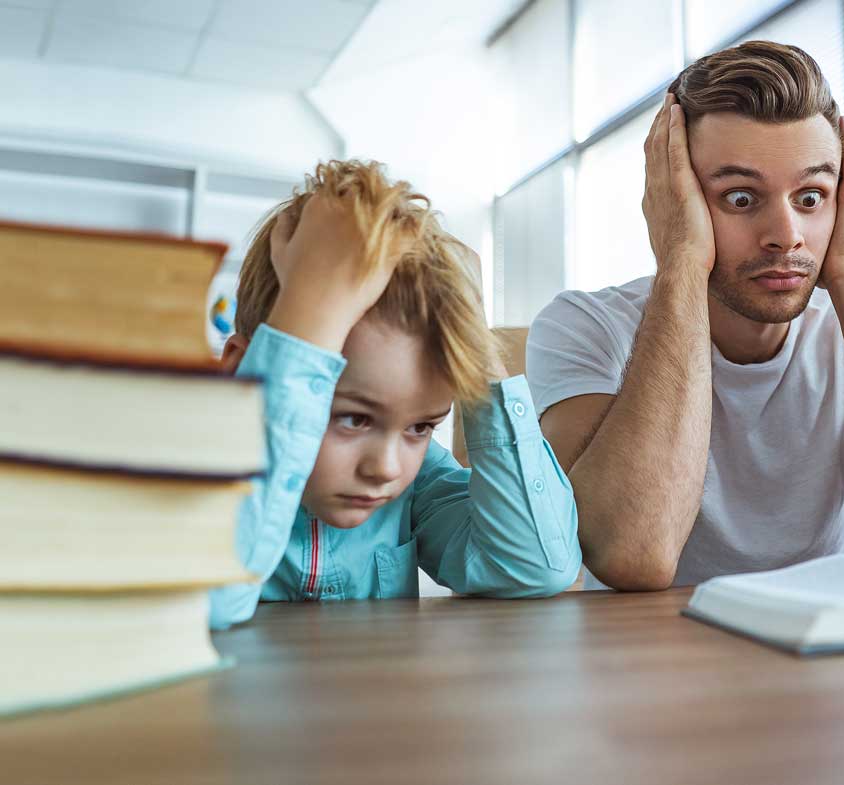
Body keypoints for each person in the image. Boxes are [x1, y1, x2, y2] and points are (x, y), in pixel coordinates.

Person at [528, 42, 844, 590]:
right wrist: (682, 267)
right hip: (640, 662)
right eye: (740, 198)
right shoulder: (584, 326)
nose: (786, 236)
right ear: (674, 197)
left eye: (811, 197)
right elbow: (630, 552)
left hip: (817, 656)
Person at [210, 160, 580, 628]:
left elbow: (537, 567)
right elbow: (212, 596)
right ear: (241, 368)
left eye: (421, 426)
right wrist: (308, 316)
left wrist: (475, 347)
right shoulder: (183, 474)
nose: (386, 468)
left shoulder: (417, 480)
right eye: (353, 419)